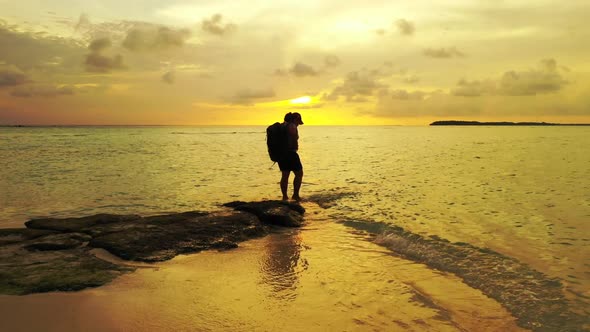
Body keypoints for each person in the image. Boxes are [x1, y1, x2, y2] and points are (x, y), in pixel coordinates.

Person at [279, 112, 304, 201]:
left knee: (285, 175)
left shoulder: (282, 126)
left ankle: (285, 196)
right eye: (298, 122)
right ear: (295, 119)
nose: (298, 124)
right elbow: (292, 135)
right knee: (299, 173)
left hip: (281, 154)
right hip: (291, 153)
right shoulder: (292, 126)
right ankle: (295, 195)